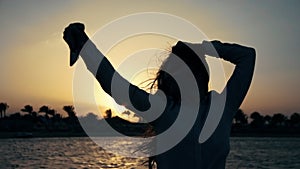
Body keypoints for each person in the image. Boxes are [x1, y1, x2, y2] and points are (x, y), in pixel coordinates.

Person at [63, 23, 255, 169]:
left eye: (193, 70)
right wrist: (84, 45)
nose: (188, 77)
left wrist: (204, 47)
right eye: (180, 71)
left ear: (203, 75)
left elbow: (248, 56)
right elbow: (113, 83)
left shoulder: (222, 107)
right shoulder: (162, 110)